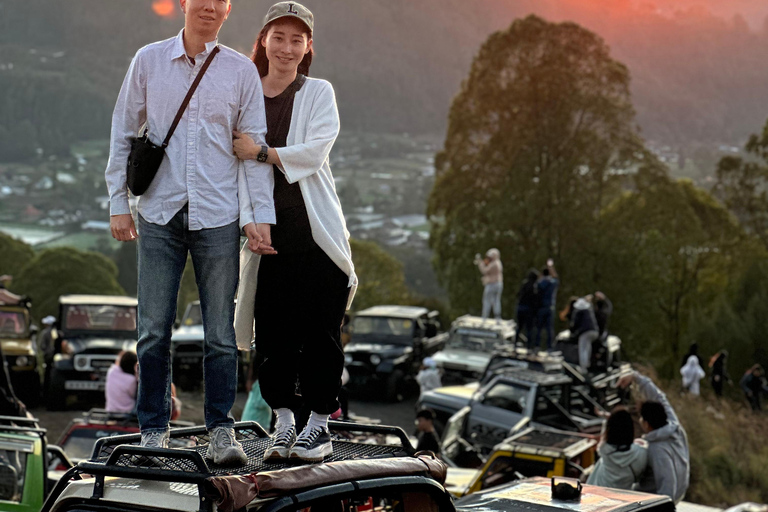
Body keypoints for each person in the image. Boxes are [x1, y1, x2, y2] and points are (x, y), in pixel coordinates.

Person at [105, 0, 275, 466]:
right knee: (153, 331)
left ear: (227, 10)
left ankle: (222, 430)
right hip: (159, 213)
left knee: (220, 333)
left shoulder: (241, 71)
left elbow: (252, 148)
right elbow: (123, 130)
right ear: (184, 2)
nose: (209, 5)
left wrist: (259, 217)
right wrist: (119, 202)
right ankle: (153, 432)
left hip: (218, 217)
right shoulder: (149, 60)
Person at [232, 2, 357, 464]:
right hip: (267, 236)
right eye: (278, 37)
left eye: (296, 39)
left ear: (308, 48)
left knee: (323, 330)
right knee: (274, 335)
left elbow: (314, 152)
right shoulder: (247, 94)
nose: (286, 48)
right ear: (263, 40)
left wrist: (261, 151)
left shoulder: (318, 92)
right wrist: (250, 221)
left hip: (316, 231)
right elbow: (238, 168)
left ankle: (319, 426)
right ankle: (284, 422)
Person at [618, 372, 690, 504]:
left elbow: (668, 483)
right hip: (679, 492)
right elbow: (660, 398)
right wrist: (635, 377)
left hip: (655, 502)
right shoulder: (674, 427)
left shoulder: (657, 450)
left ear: (646, 424)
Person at [586, 407, 648, 490]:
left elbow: (605, 436)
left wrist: (607, 417)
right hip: (623, 496)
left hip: (600, 493)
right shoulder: (641, 453)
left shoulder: (604, 450)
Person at [535, 260, 559, 350]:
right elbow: (556, 278)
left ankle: (537, 345)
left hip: (540, 307)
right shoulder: (552, 283)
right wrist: (551, 268)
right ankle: (550, 347)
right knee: (549, 329)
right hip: (550, 307)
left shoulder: (540, 283)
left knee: (538, 328)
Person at [570, 297, 599, 373]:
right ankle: (587, 364)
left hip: (585, 332)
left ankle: (583, 368)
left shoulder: (579, 312)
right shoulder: (589, 311)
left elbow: (574, 324)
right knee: (588, 347)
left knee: (582, 348)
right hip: (594, 331)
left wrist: (573, 332)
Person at [474, 249, 503, 321]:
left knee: (487, 301)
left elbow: (484, 271)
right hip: (498, 284)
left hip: (492, 284)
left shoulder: (494, 264)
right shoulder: (498, 263)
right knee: (496, 301)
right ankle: (497, 318)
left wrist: (480, 263)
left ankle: (484, 317)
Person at [515, 269, 539, 349]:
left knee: (519, 327)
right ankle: (529, 346)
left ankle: (515, 343)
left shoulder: (524, 284)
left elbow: (518, 294)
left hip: (520, 307)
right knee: (529, 329)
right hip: (529, 309)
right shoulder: (534, 287)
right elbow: (535, 300)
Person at [38, 315, 57, 387]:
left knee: (47, 372)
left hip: (48, 355)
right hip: (55, 355)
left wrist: (45, 351)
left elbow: (42, 345)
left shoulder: (45, 333)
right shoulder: (56, 332)